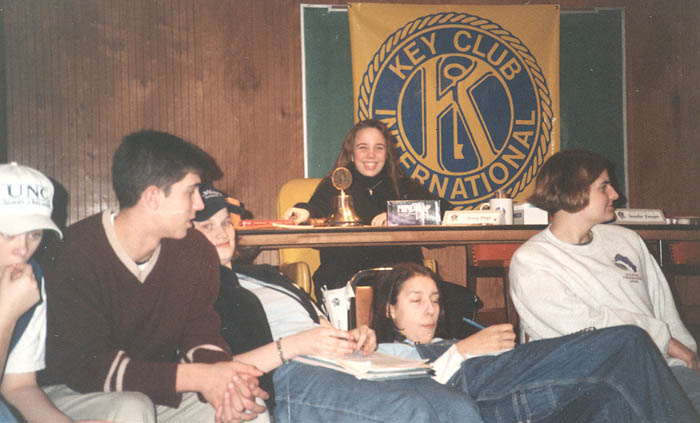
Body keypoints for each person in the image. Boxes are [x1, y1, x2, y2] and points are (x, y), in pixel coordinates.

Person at [193, 186, 486, 423]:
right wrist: (300, 343)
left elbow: (320, 325)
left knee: (456, 407)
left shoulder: (269, 275)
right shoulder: (198, 288)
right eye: (207, 226)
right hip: (289, 370)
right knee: (409, 410)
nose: (222, 233)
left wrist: (352, 337)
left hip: (337, 360)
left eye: (225, 223)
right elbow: (217, 368)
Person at [39, 131, 269, 423]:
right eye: (191, 191)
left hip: (154, 388)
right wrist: (198, 377)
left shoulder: (194, 250)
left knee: (246, 408)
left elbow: (200, 331)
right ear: (153, 197)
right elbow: (86, 366)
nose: (199, 204)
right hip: (69, 393)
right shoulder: (73, 254)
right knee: (132, 408)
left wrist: (222, 381)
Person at [372, 262, 700, 422]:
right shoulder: (384, 351)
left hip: (512, 385)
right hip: (475, 392)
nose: (430, 309)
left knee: (616, 389)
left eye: (434, 300)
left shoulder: (447, 339)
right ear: (390, 309)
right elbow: (412, 397)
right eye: (416, 300)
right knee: (628, 340)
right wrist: (464, 350)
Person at [508, 149, 700, 412]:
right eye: (604, 187)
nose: (615, 194)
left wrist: (687, 355)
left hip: (667, 369)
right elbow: (592, 330)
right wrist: (666, 342)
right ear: (573, 191)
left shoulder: (627, 240)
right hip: (597, 385)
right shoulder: (532, 260)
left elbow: (663, 307)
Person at [283, 119, 476, 338]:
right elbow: (315, 208)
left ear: (388, 154)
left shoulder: (403, 185)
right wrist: (304, 212)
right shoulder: (335, 184)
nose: (371, 155)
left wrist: (400, 216)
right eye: (362, 147)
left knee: (458, 301)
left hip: (400, 280)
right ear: (351, 153)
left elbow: (445, 212)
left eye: (379, 148)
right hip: (348, 279)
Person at [0, 162, 98, 423]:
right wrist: (7, 314)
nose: (23, 249)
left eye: (34, 234)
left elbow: (18, 386)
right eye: (7, 233)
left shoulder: (30, 278)